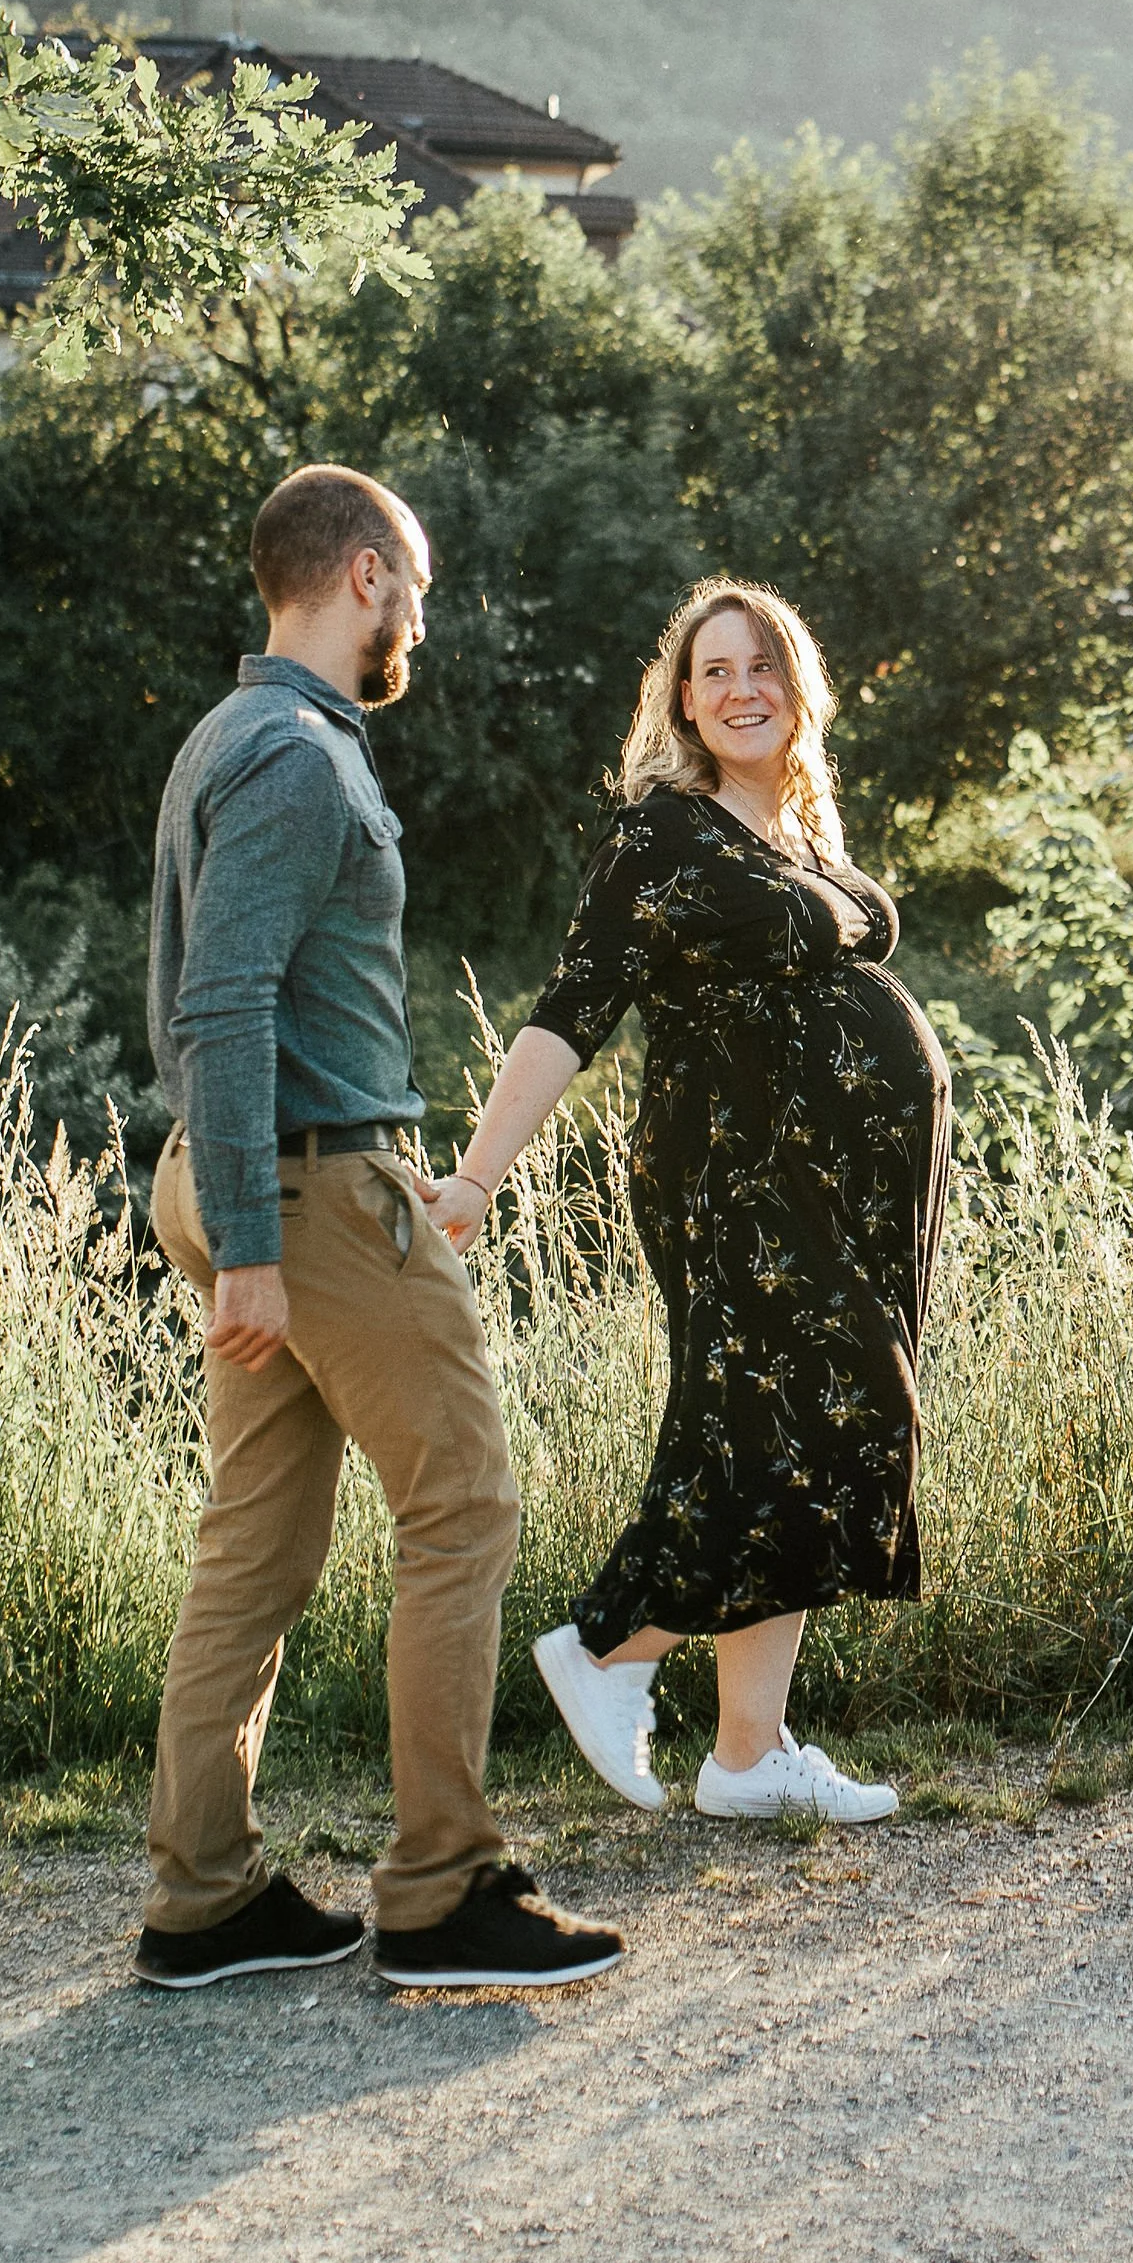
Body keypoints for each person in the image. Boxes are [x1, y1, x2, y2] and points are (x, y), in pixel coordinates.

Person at [132, 462, 623, 1992]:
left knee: (256, 1549)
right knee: (463, 1505)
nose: (419, 614)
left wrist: (259, 1216)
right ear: (361, 576)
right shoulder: (295, 756)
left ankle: (204, 1899)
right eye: (412, 584)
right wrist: (261, 1248)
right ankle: (439, 1891)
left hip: (257, 1179)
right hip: (304, 1194)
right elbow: (224, 1002)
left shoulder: (233, 733)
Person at [423, 578, 951, 1824]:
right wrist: (479, 1173)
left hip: (836, 1189)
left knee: (776, 1429)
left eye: (761, 664)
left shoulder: (795, 829)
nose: (740, 687)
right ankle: (610, 1645)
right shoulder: (662, 835)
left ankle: (746, 1756)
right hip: (740, 1181)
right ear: (681, 700)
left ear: (798, 687)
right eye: (714, 670)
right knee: (810, 1423)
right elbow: (571, 1008)